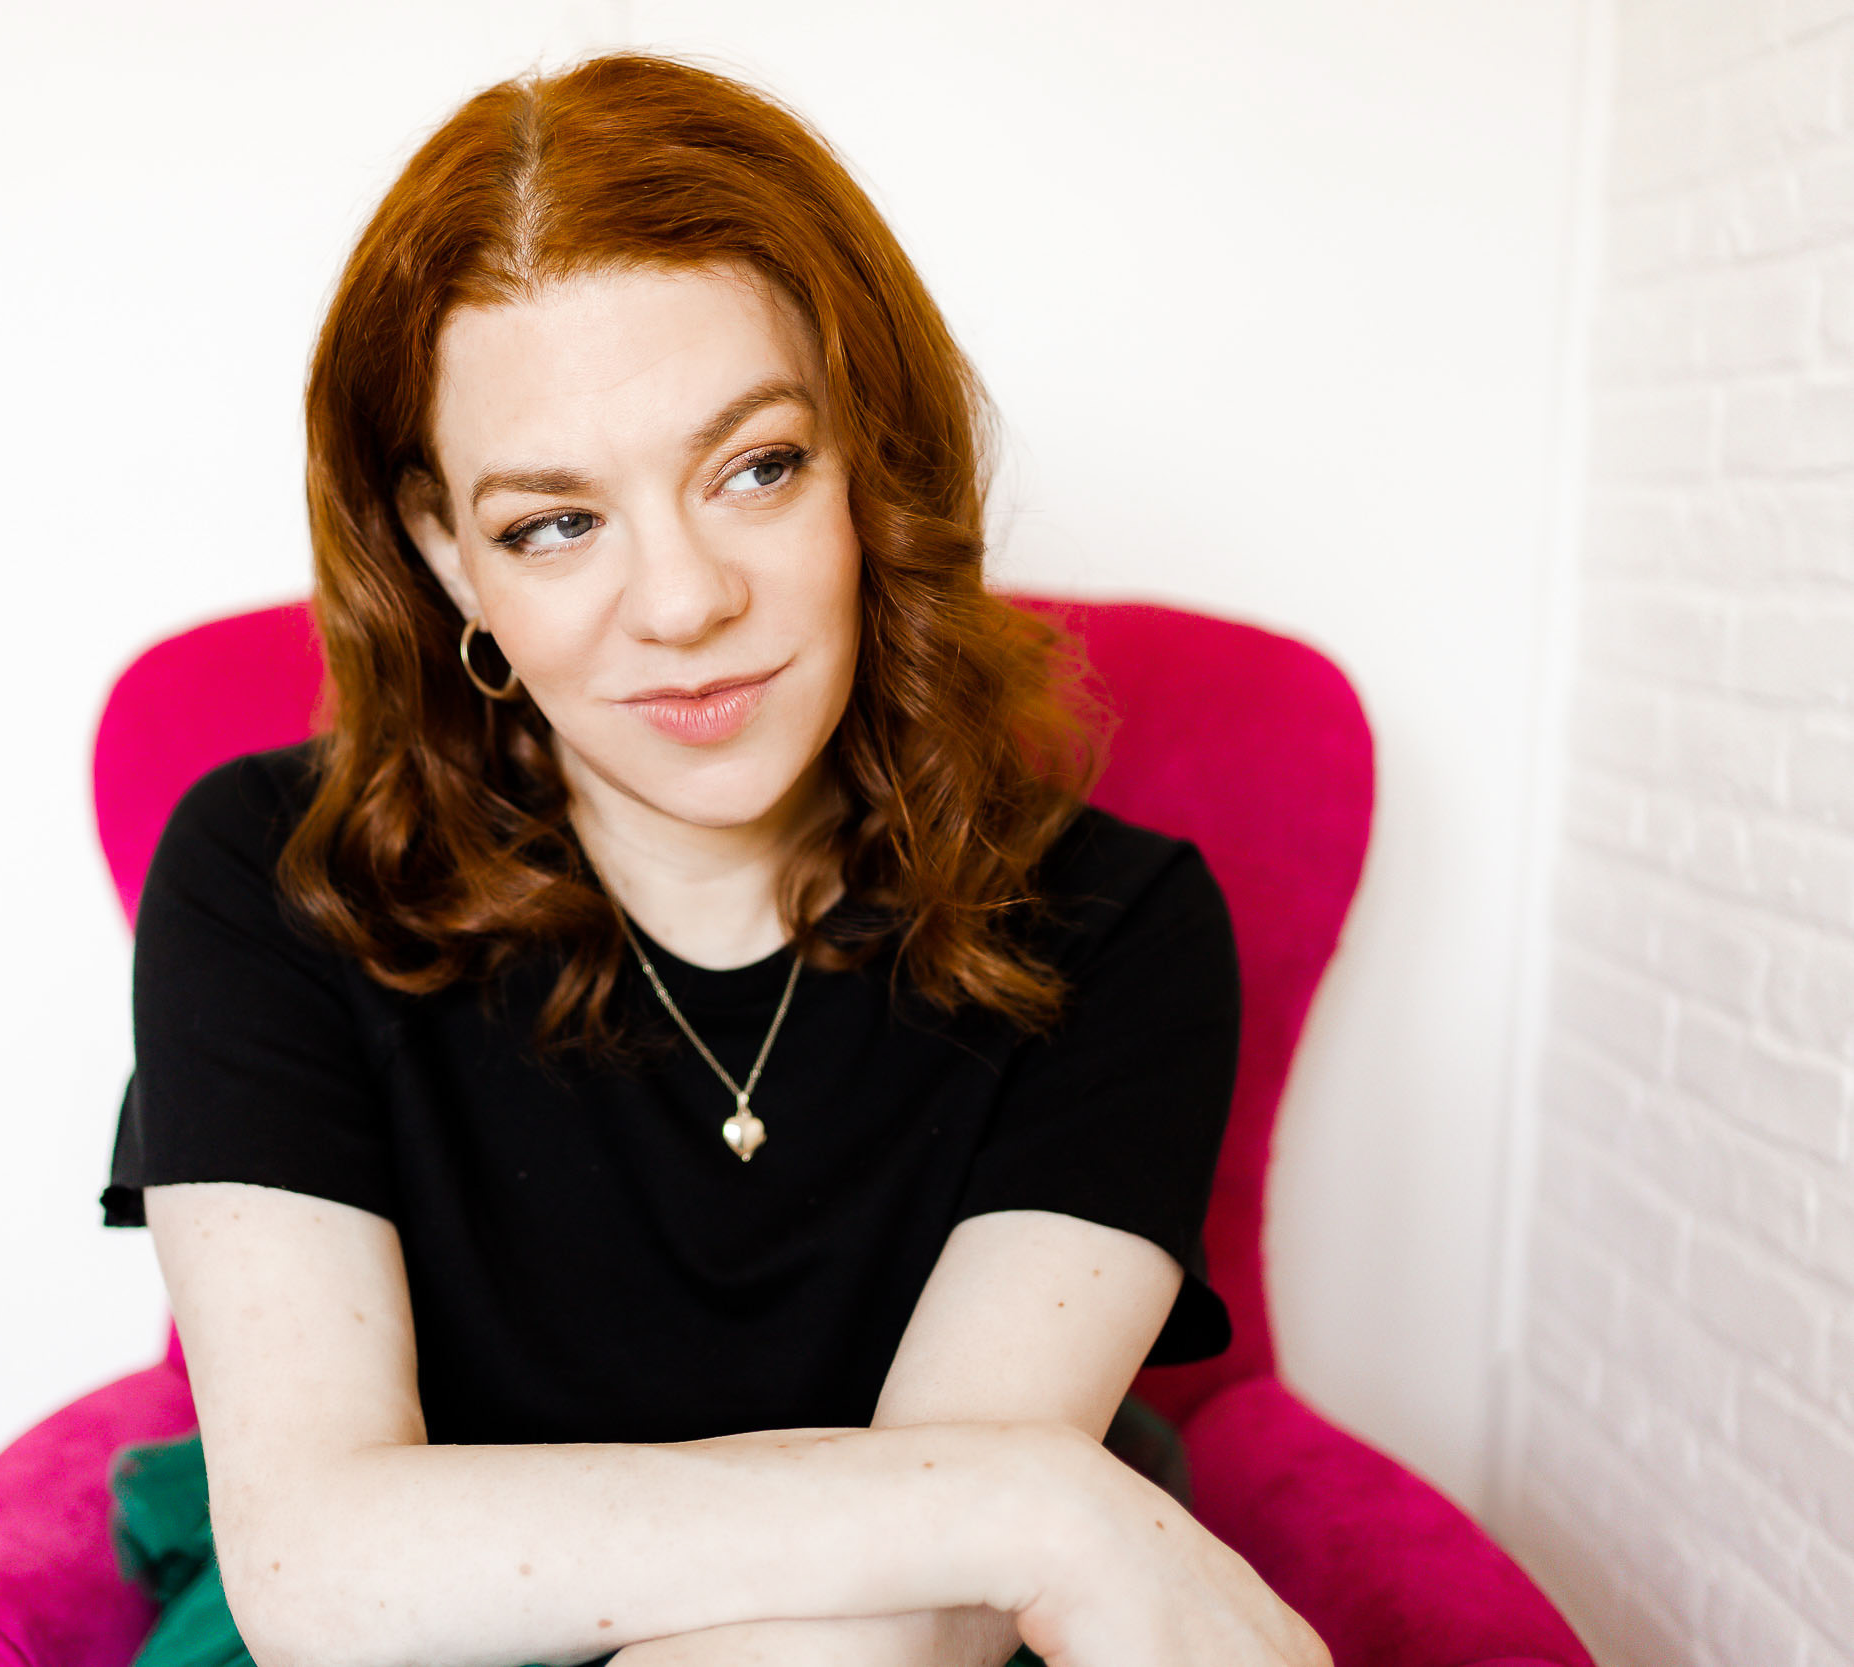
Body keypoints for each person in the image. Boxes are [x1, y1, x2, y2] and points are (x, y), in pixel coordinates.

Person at [100, 50, 1330, 1667]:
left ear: (869, 465)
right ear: (441, 548)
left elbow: (915, 1617)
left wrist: (999, 1517)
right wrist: (1049, 1512)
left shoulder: (1114, 925)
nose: (682, 604)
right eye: (555, 522)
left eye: (755, 468)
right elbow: (326, 1577)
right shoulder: (271, 871)